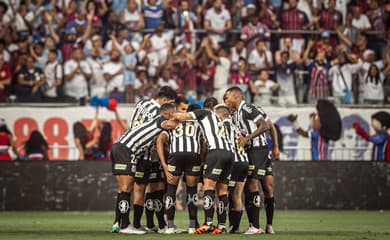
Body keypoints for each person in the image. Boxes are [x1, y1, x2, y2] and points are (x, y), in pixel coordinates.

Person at [111, 103, 179, 235]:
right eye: (175, 113)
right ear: (170, 114)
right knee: (126, 188)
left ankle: (122, 223)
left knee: (124, 188)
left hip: (120, 147)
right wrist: (191, 118)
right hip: (126, 149)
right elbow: (175, 125)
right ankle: (125, 225)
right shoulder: (161, 121)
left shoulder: (155, 122)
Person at [224, 86, 279, 234]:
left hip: (258, 150)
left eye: (227, 97)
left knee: (254, 185)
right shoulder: (234, 114)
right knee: (260, 187)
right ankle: (258, 226)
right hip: (253, 151)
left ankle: (256, 226)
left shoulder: (247, 108)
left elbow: (266, 125)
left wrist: (275, 147)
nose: (225, 100)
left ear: (236, 97)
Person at [174, 97, 234, 234]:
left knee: (208, 187)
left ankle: (207, 223)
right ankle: (222, 225)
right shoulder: (222, 120)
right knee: (223, 191)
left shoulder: (204, 113)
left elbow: (184, 116)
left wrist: (171, 114)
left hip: (216, 152)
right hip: (230, 154)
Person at [156, 97, 203, 234]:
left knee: (171, 190)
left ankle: (169, 227)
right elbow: (203, 143)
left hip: (175, 156)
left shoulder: (172, 123)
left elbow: (160, 141)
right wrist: (202, 159)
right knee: (192, 191)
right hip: (193, 155)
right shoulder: (197, 123)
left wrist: (164, 164)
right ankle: (192, 226)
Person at [214, 104, 248, 234]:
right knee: (237, 195)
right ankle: (235, 227)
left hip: (234, 163)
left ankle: (222, 224)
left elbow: (227, 145)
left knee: (223, 193)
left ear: (220, 115)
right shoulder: (235, 126)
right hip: (244, 161)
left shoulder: (225, 126)